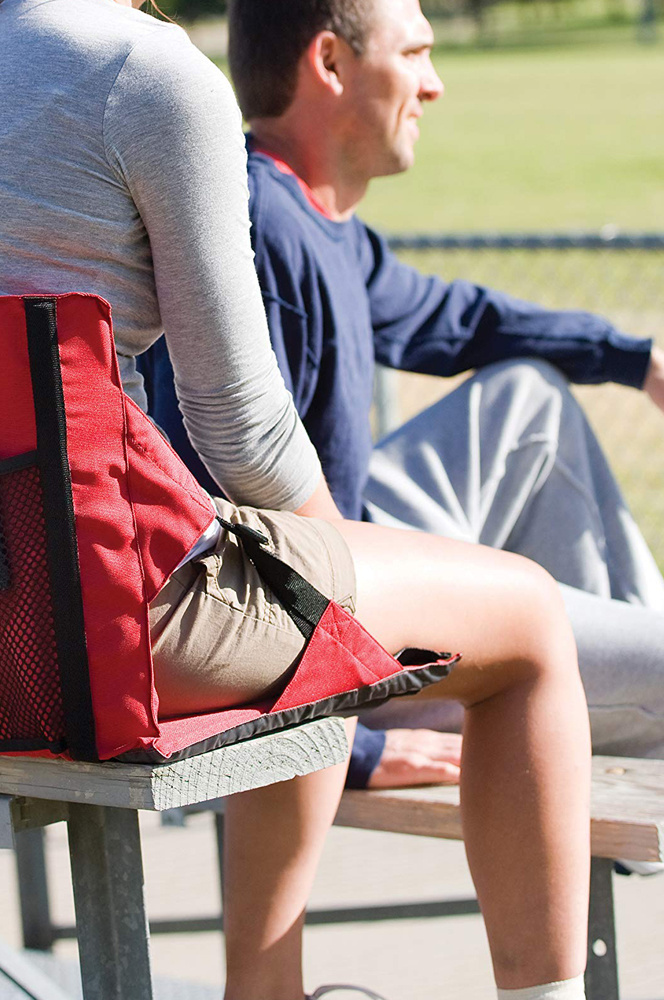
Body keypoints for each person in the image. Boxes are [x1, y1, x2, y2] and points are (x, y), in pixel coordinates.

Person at [0, 1, 592, 996]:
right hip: (91, 631)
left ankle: (269, 989)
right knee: (529, 617)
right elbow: (236, 416)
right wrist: (343, 575)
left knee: (297, 620)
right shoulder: (152, 71)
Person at [140, 0, 664, 791]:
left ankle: (633, 665)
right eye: (415, 53)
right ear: (331, 64)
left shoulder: (318, 222)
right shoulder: (254, 232)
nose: (435, 84)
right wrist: (356, 752)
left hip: (356, 545)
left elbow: (457, 320)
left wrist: (635, 359)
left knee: (528, 398)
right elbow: (209, 532)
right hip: (334, 626)